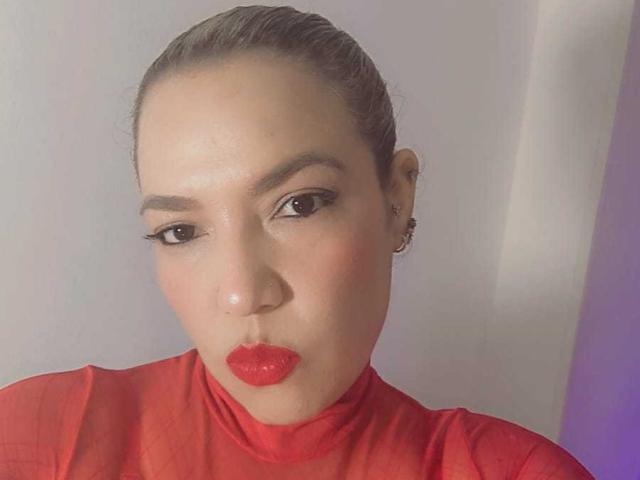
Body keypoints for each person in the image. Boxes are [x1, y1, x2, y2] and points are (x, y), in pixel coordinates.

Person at [0, 5, 594, 479]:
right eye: (180, 231)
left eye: (299, 204)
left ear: (397, 198)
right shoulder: (41, 436)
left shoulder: (510, 472)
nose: (242, 294)